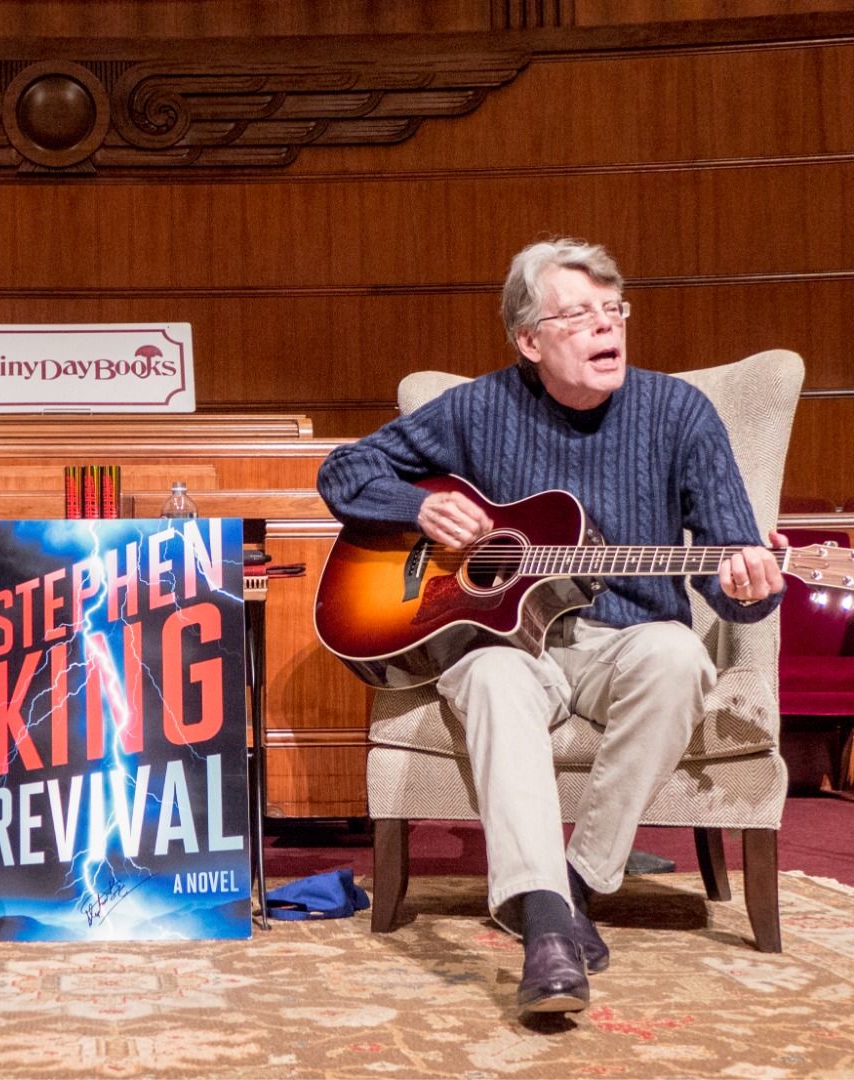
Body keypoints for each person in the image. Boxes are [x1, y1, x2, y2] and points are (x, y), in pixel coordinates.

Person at [316, 238, 787, 1016]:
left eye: (615, 309)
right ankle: (545, 927)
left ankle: (571, 887)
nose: (607, 326)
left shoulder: (679, 414)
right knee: (497, 678)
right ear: (529, 340)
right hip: (497, 643)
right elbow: (343, 471)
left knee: (678, 656)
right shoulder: (476, 407)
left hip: (625, 643)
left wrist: (751, 587)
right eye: (578, 314)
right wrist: (417, 507)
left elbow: (729, 570)